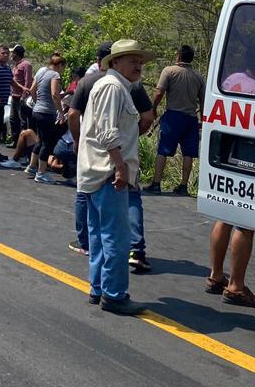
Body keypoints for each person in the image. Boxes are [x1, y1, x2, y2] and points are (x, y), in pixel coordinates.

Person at [77, 39, 154, 315]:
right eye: (133, 60)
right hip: (109, 172)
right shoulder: (113, 87)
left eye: (140, 61)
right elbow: (107, 132)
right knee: (116, 239)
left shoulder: (113, 86)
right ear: (116, 62)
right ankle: (114, 294)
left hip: (97, 172)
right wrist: (120, 166)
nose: (139, 65)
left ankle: (98, 288)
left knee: (99, 235)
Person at [206, 41, 255, 309]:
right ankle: (236, 286)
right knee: (245, 223)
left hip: (224, 154)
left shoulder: (231, 80)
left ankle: (216, 276)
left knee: (224, 216)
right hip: (249, 157)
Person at [146, 45, 205, 194]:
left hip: (173, 116)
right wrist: (203, 120)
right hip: (191, 118)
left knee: (163, 150)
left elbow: (159, 92)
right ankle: (183, 186)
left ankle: (156, 183)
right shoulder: (198, 77)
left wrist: (153, 108)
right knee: (188, 153)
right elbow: (203, 101)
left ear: (178, 56)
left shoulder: (169, 71)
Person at [25, 54, 66, 184]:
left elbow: (32, 90)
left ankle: (32, 166)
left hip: (36, 111)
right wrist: (61, 112)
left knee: (40, 140)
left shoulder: (41, 72)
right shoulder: (55, 75)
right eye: (63, 67)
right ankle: (41, 174)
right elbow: (54, 94)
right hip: (46, 113)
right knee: (47, 144)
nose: (63, 70)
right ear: (60, 65)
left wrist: (37, 103)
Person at [9, 44, 32, 145]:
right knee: (13, 119)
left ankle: (23, 144)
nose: (11, 55)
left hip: (21, 98)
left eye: (12, 53)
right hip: (14, 96)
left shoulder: (26, 65)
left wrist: (24, 95)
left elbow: (28, 81)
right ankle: (15, 141)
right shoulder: (16, 65)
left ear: (16, 53)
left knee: (23, 121)